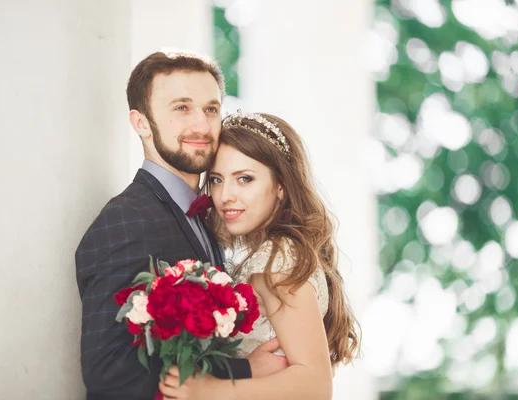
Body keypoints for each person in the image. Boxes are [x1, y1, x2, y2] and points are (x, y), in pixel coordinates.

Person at [75, 52, 288, 400]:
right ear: (141, 122)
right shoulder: (125, 221)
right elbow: (110, 375)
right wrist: (243, 371)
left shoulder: (209, 217)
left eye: (211, 109)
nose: (202, 126)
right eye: (181, 108)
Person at [158, 112, 361, 400]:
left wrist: (209, 391)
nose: (225, 195)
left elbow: (315, 384)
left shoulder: (275, 259)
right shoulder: (278, 252)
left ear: (281, 185)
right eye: (216, 180)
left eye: (244, 179)